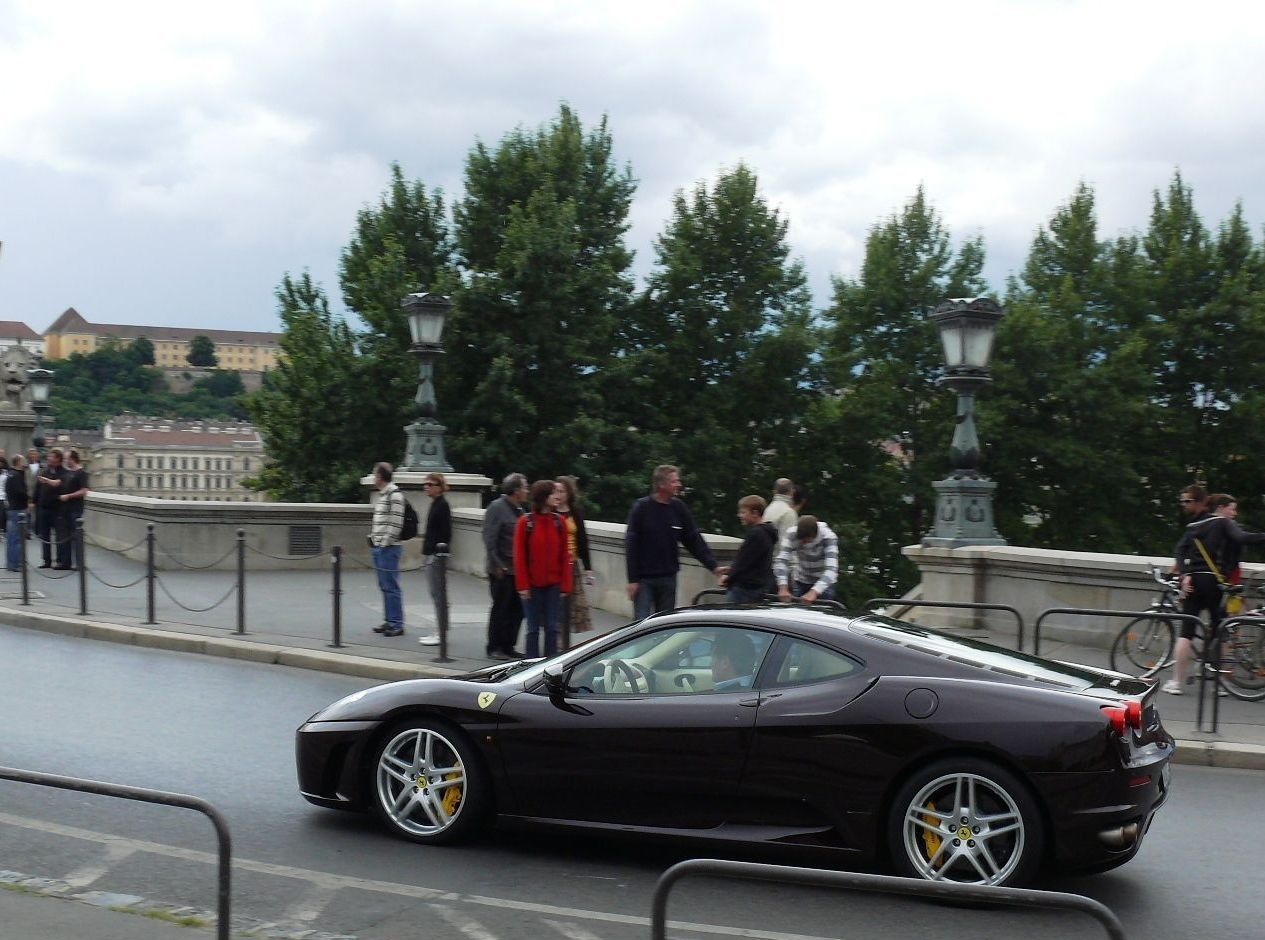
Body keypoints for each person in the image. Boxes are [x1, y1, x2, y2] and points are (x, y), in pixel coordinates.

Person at [1166, 489, 1265, 695]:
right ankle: (1220, 684)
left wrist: (1185, 574)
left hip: (1193, 580)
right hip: (1213, 580)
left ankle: (1176, 682)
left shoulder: (1193, 526)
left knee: (1186, 633)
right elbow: (1243, 538)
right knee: (1220, 628)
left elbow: (1179, 550)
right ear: (1218, 508)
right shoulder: (1222, 523)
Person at [625, 465, 721, 619]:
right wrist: (632, 579)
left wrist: (713, 566)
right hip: (644, 579)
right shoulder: (641, 508)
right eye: (675, 481)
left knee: (664, 622)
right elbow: (631, 545)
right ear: (661, 485)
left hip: (668, 577)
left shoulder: (678, 508)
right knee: (641, 623)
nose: (679, 484)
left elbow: (693, 539)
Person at [515, 479, 573, 658]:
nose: (557, 496)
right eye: (553, 493)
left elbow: (565, 555)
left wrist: (565, 585)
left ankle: (550, 665)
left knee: (552, 627)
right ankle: (530, 666)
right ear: (543, 497)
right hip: (532, 585)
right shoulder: (526, 522)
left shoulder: (559, 522)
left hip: (553, 585)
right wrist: (523, 586)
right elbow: (520, 556)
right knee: (533, 629)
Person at [484, 473, 527, 659]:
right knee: (501, 608)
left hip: (517, 570)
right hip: (502, 569)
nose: (527, 491)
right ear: (516, 490)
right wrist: (497, 564)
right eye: (525, 487)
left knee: (517, 610)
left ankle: (509, 645)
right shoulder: (497, 508)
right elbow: (489, 538)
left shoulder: (519, 510)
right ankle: (495, 646)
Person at [368, 462, 406, 637]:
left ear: (381, 477)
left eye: (375, 474)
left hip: (388, 548)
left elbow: (396, 523)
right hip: (380, 546)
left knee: (391, 586)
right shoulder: (384, 495)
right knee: (384, 585)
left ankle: (396, 623)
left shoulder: (394, 495)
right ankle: (389, 620)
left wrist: (384, 542)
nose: (373, 477)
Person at [555, 476, 593, 642]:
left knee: (570, 609)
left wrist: (588, 568)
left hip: (571, 565)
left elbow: (582, 539)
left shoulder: (575, 511)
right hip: (555, 566)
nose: (558, 494)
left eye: (562, 491)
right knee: (556, 608)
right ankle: (555, 643)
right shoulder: (550, 511)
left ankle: (564, 645)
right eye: (555, 491)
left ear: (569, 493)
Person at [721, 495, 779, 603]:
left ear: (755, 513)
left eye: (743, 512)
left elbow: (743, 561)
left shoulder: (755, 534)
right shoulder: (768, 533)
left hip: (744, 589)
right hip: (759, 587)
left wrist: (728, 577)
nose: (739, 515)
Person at [417, 472, 452, 647]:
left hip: (436, 556)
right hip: (431, 554)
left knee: (439, 595)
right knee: (436, 594)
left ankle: (441, 632)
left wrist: (437, 552)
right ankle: (440, 630)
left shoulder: (442, 505)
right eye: (425, 484)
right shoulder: (436, 504)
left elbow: (446, 534)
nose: (426, 487)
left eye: (430, 484)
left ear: (439, 487)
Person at [774, 515, 840, 604]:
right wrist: (783, 587)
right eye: (801, 541)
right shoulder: (791, 534)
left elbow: (831, 570)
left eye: (806, 541)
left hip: (824, 583)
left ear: (814, 535)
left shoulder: (828, 538)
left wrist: (814, 592)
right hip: (801, 579)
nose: (803, 544)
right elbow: (782, 560)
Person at [55, 449, 90, 569]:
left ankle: (79, 563)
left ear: (72, 459)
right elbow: (58, 482)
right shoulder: (68, 473)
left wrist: (68, 496)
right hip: (65, 510)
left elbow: (84, 491)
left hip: (75, 509)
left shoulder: (81, 473)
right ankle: (66, 562)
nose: (65, 461)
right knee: (65, 537)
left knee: (76, 536)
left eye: (66, 459)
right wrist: (47, 481)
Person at [33, 447, 66, 569]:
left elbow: (60, 485)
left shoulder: (63, 472)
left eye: (51, 456)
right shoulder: (44, 471)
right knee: (44, 535)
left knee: (58, 536)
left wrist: (47, 481)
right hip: (43, 508)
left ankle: (59, 560)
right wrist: (34, 502)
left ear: (57, 458)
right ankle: (46, 560)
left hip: (57, 508)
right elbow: (37, 488)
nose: (48, 458)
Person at [4, 454, 26, 571]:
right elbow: (20, 492)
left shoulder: (9, 474)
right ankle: (16, 564)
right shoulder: (17, 475)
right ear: (18, 462)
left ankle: (10, 563)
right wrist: (28, 498)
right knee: (17, 538)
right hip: (18, 509)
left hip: (12, 508)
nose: (24, 463)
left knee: (11, 538)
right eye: (23, 461)